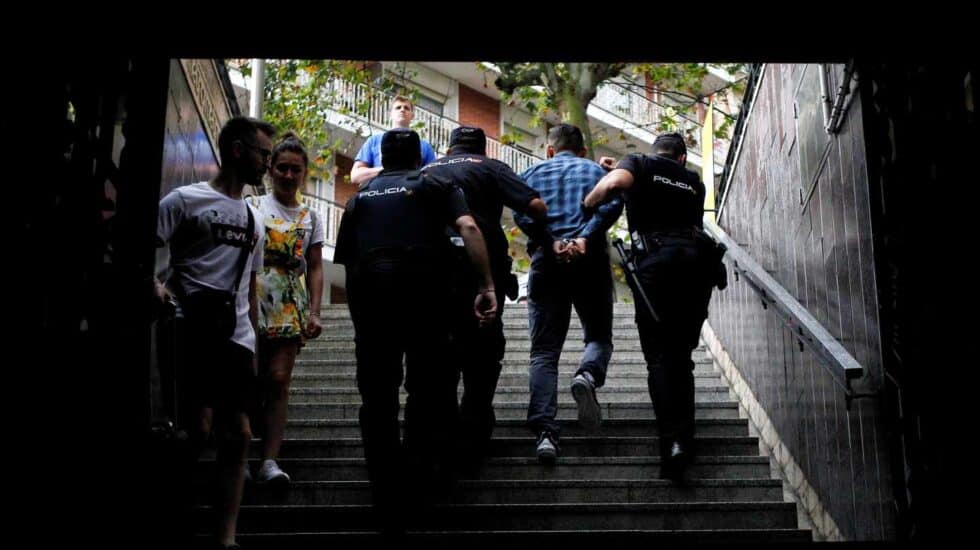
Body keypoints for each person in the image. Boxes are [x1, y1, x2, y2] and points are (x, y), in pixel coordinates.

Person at [333, 128, 498, 533]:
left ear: (383, 158)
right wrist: (486, 286)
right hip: (426, 301)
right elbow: (470, 229)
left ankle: (385, 488)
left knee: (378, 397)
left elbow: (347, 263)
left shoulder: (359, 199)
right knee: (429, 389)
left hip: (373, 303)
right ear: (420, 156)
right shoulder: (435, 181)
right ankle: (423, 476)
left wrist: (360, 321)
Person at [155, 116, 275, 549]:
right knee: (198, 428)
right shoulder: (185, 200)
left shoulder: (252, 218)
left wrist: (254, 347)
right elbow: (145, 247)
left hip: (235, 338)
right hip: (191, 328)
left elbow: (250, 287)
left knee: (240, 433)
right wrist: (158, 286)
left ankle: (226, 538)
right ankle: (174, 512)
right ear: (239, 150)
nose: (267, 162)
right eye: (263, 153)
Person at [583, 131, 718, 483]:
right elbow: (661, 189)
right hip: (696, 266)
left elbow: (617, 183)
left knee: (659, 355)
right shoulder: (693, 182)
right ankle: (685, 442)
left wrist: (591, 199)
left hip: (657, 267)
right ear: (682, 158)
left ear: (653, 151)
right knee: (681, 356)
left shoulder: (640, 163)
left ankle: (671, 443)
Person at [421, 126, 551, 473]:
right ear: (481, 147)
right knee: (483, 354)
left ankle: (444, 435)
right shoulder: (490, 167)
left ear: (448, 148)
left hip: (431, 276)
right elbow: (536, 205)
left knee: (439, 358)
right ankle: (474, 431)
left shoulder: (427, 171)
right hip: (481, 275)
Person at [514, 123, 624, 463]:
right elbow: (614, 203)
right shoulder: (594, 170)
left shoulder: (530, 172)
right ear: (581, 150)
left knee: (544, 351)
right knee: (598, 336)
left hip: (548, 262)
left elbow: (523, 213)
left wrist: (552, 241)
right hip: (589, 261)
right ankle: (587, 374)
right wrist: (586, 237)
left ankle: (546, 433)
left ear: (549, 149)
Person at [247, 132, 325, 486]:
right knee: (250, 380)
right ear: (270, 169)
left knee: (279, 380)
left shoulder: (312, 216)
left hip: (291, 304)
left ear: (304, 172)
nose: (288, 175)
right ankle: (240, 454)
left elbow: (316, 265)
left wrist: (315, 312)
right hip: (252, 297)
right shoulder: (254, 207)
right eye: (282, 168)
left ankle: (268, 461)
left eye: (296, 169)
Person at [349, 95, 437, 187]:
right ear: (390, 114)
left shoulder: (425, 146)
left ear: (412, 115)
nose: (402, 110)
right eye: (398, 107)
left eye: (406, 108)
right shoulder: (374, 141)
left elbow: (433, 177)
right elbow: (355, 176)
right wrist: (386, 170)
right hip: (381, 193)